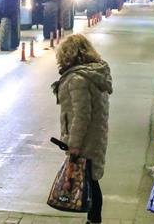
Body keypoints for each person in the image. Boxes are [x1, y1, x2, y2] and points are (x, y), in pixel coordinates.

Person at [52, 34, 112, 224]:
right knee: (91, 181)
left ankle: (94, 221)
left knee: (90, 183)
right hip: (95, 135)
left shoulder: (78, 78)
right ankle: (93, 220)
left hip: (85, 139)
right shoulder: (92, 72)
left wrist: (74, 145)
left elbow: (81, 116)